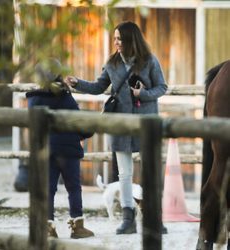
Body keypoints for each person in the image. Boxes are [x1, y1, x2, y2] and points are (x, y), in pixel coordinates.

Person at [65, 21, 167, 235]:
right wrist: (77, 83)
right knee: (124, 174)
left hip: (145, 123)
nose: (115, 42)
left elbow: (162, 87)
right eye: (114, 38)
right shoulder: (112, 63)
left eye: (119, 38)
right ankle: (128, 218)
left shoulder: (149, 60)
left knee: (150, 171)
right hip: (119, 124)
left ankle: (153, 219)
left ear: (131, 39)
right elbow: (98, 87)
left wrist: (143, 95)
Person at [26, 58, 94, 239]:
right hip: (69, 150)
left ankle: (48, 226)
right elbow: (78, 121)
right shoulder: (65, 97)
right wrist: (88, 132)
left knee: (48, 188)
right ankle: (77, 226)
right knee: (73, 187)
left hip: (46, 150)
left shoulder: (33, 100)